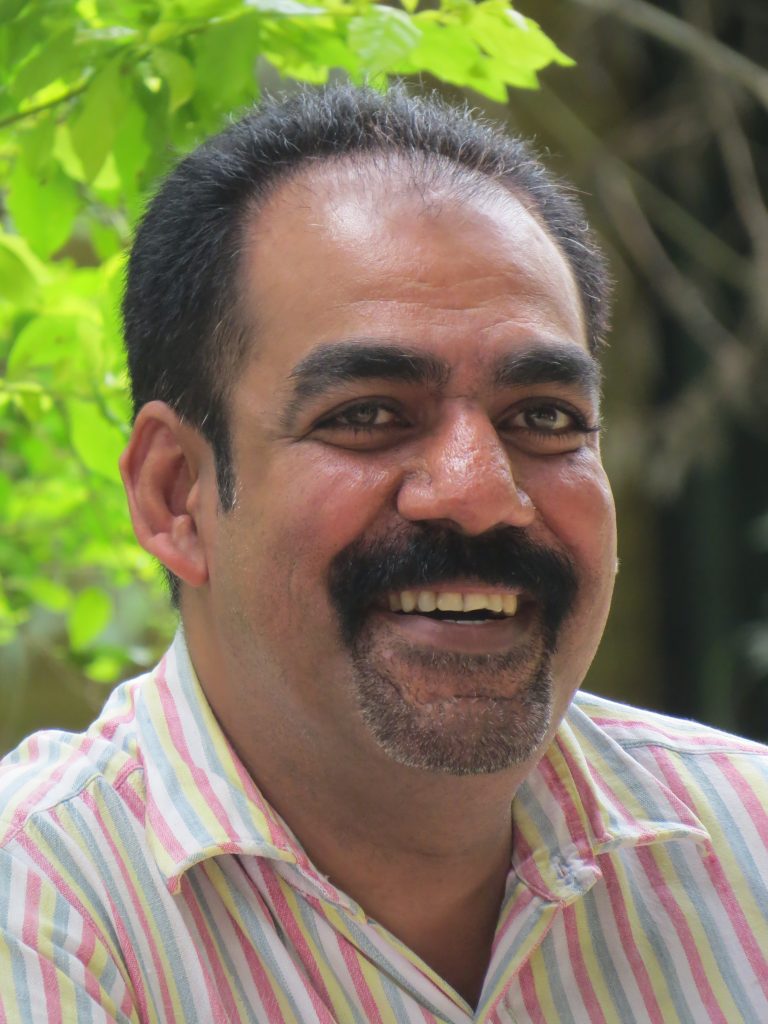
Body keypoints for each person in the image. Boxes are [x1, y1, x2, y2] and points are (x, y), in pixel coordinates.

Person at [1, 85, 766, 1024]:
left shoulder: (749, 846)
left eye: (543, 417)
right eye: (367, 415)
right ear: (176, 495)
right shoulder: (39, 915)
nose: (480, 493)